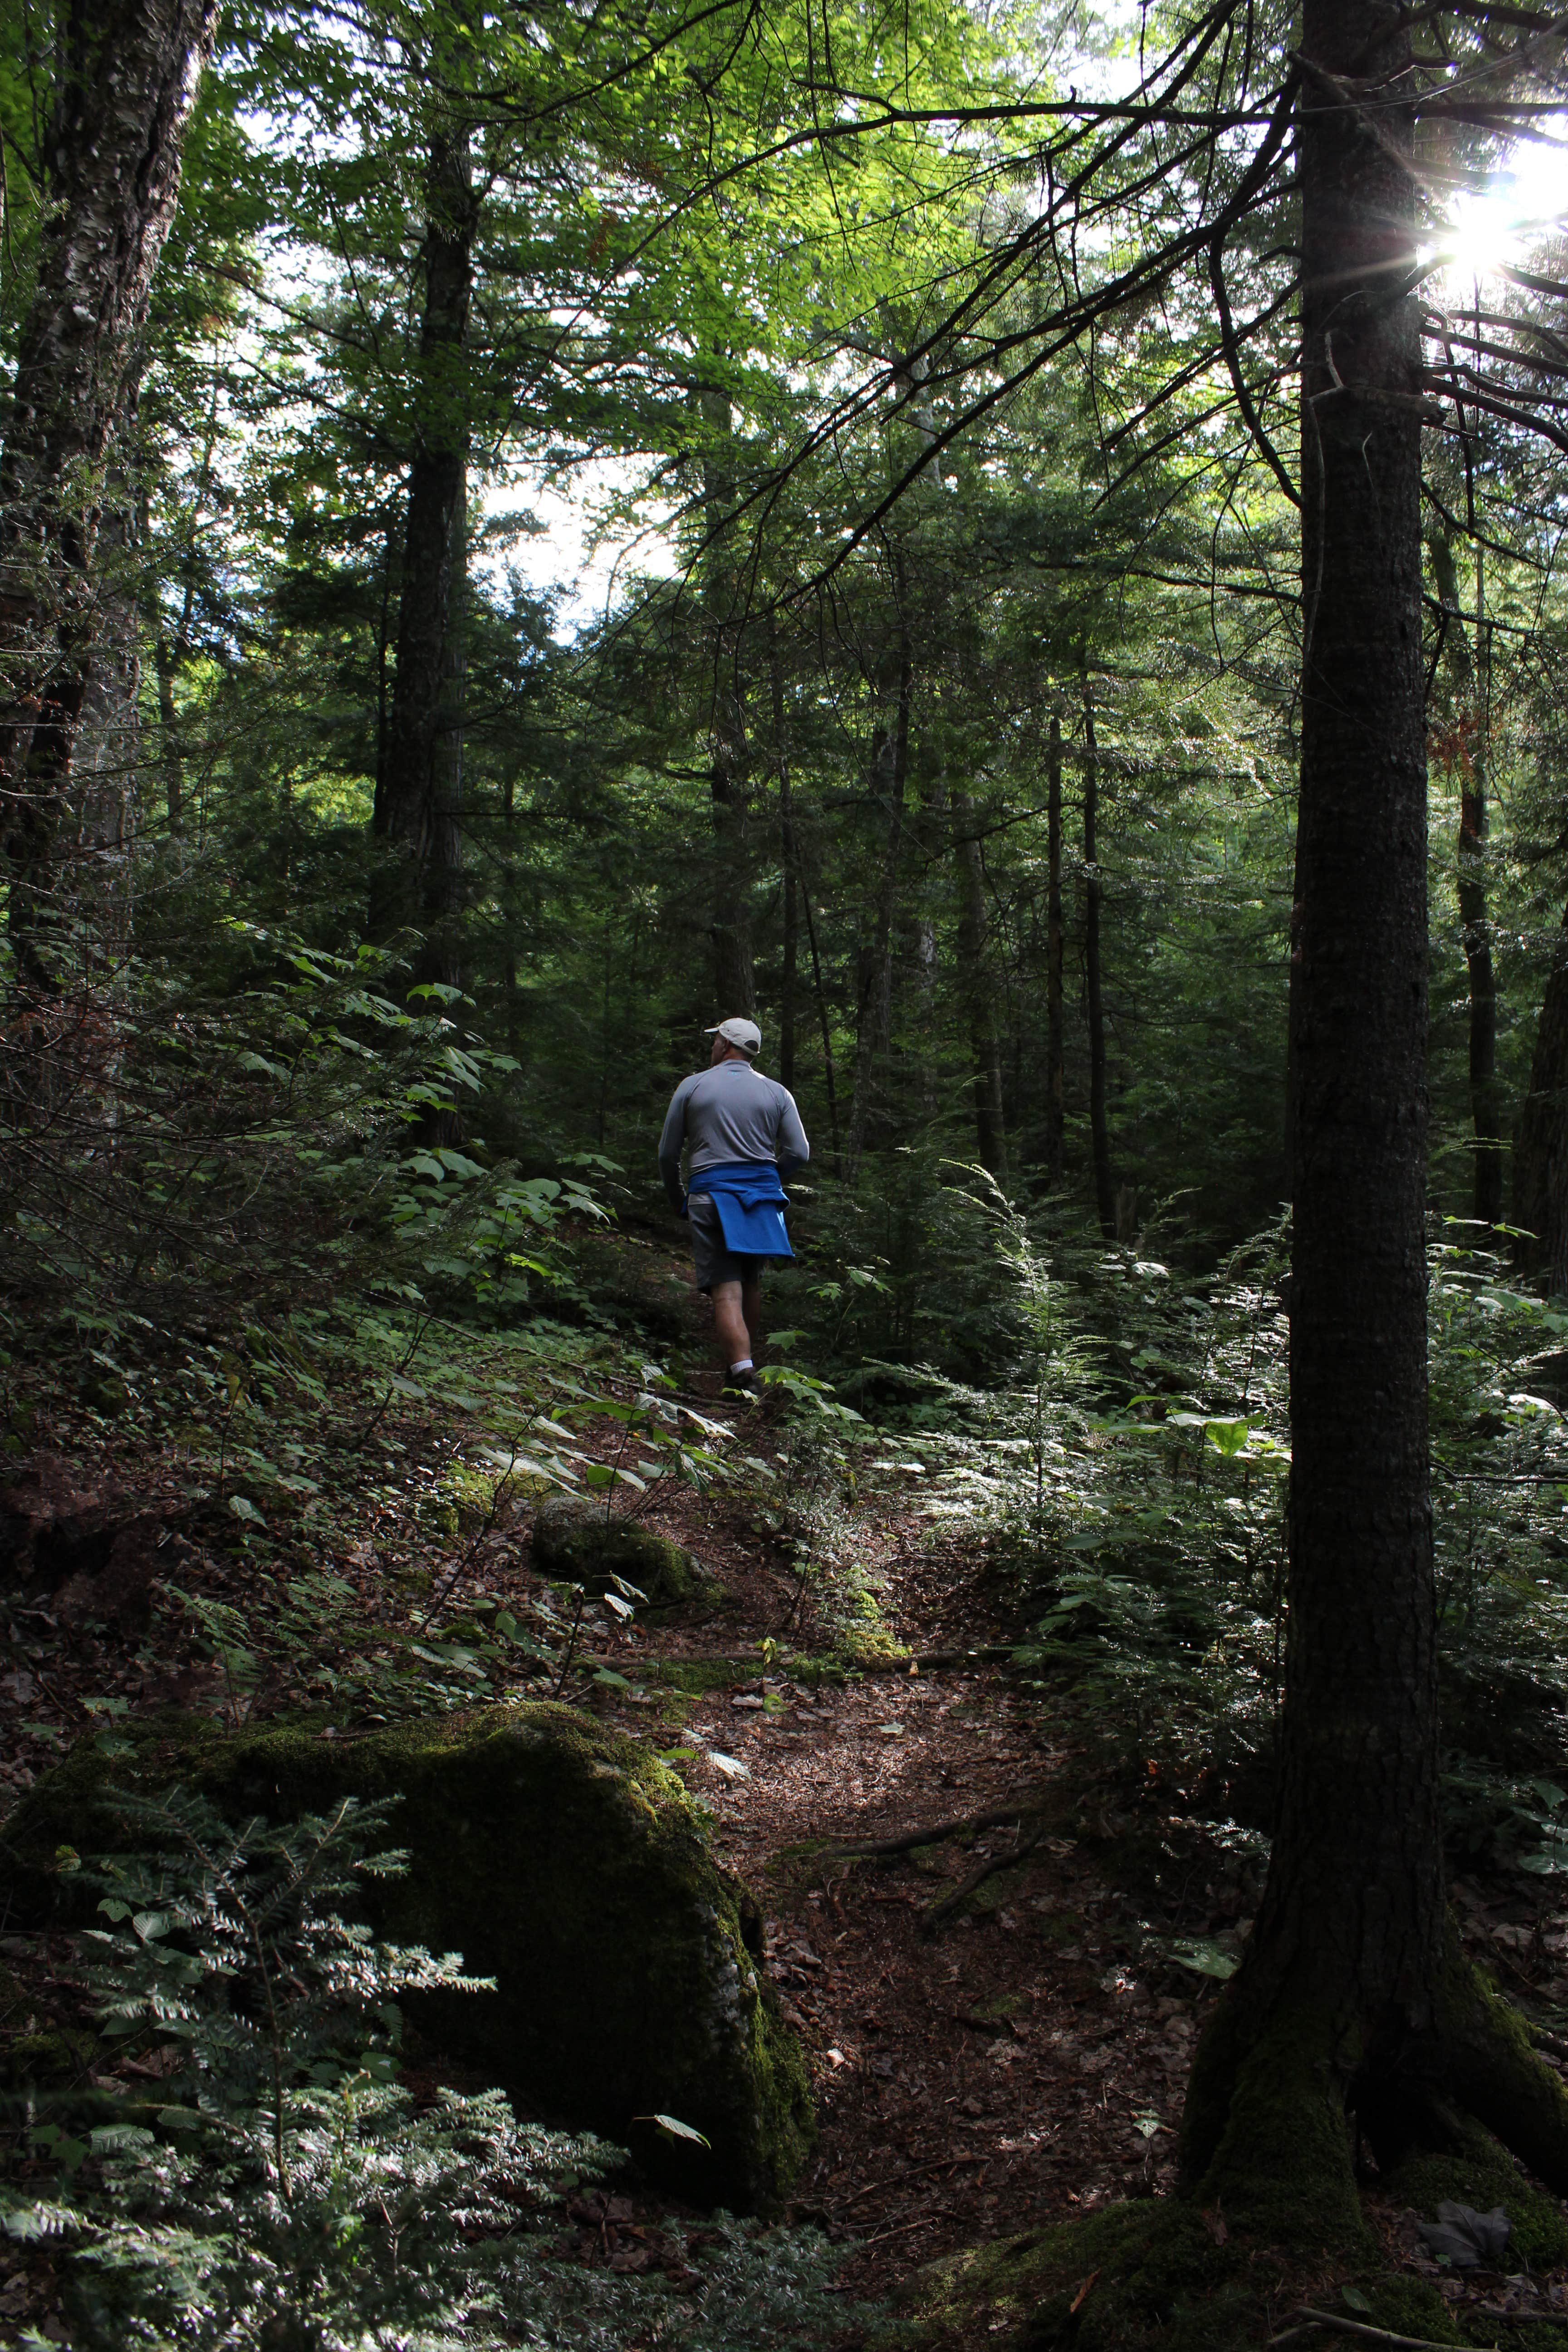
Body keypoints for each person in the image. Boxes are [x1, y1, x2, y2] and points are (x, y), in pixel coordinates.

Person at [658, 1017, 809, 1394]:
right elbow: (799, 1152)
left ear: (725, 1044)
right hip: (760, 1199)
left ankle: (742, 1371)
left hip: (710, 1194)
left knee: (727, 1289)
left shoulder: (693, 1086)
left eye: (716, 1040)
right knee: (751, 1282)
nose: (712, 1046)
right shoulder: (777, 1093)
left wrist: (679, 1199)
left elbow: (667, 1154)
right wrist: (770, 1176)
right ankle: (743, 1364)